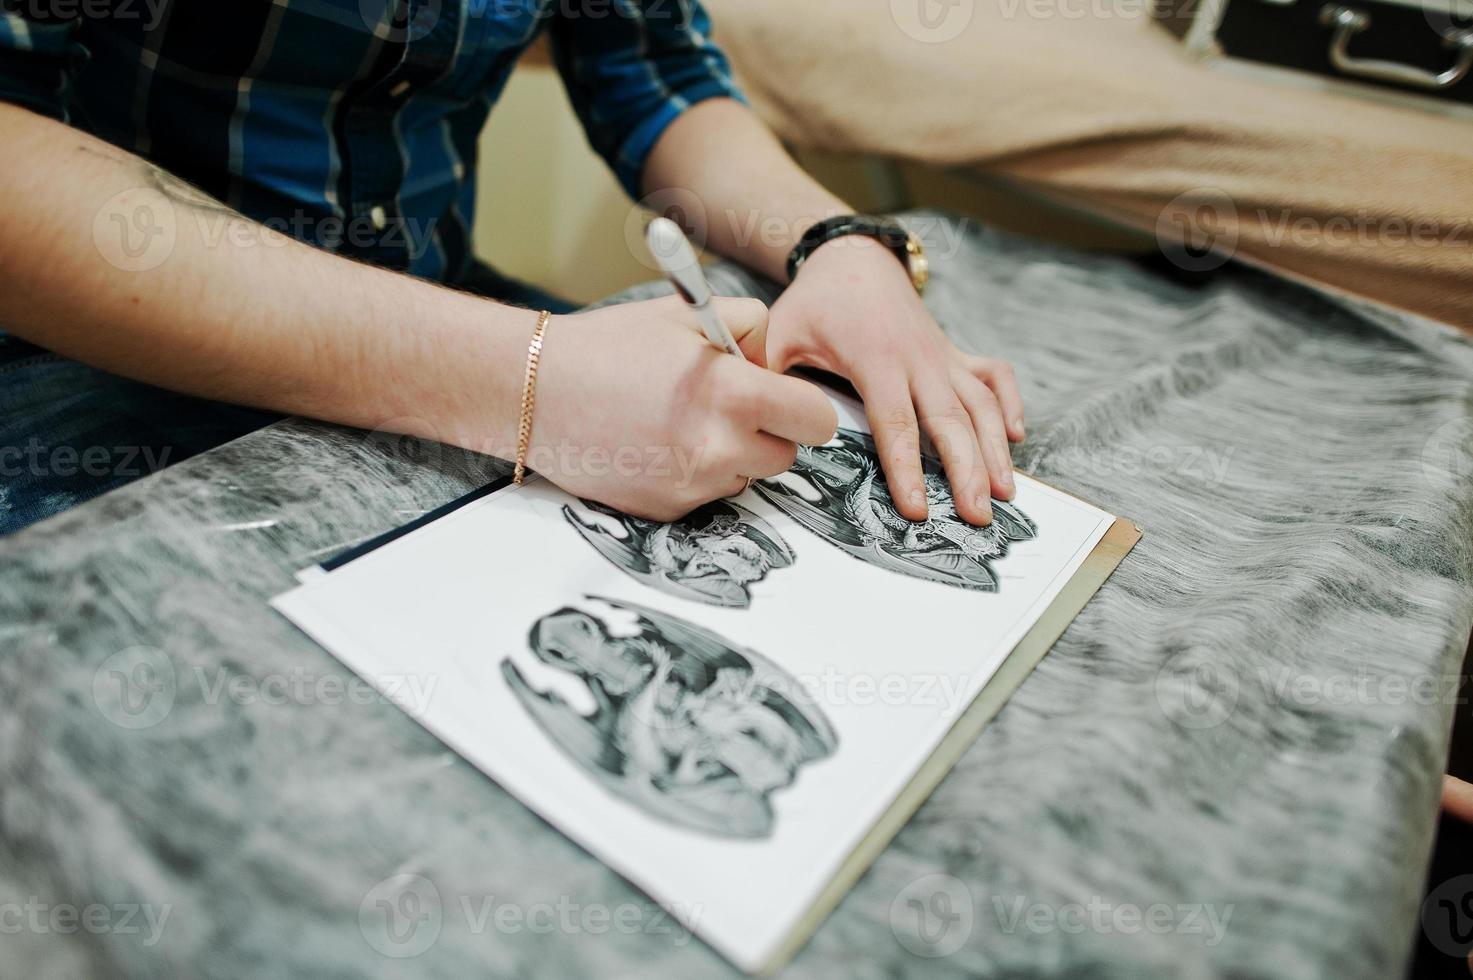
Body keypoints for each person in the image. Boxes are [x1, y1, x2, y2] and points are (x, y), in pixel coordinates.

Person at [0, 1, 1025, 537]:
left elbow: (654, 72)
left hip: (462, 316)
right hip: (85, 366)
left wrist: (838, 243)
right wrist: (523, 379)